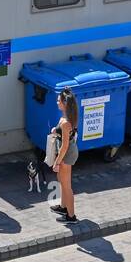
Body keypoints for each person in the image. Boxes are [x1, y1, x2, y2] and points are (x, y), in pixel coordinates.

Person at [48, 88, 79, 224]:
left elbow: (65, 146)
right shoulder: (65, 118)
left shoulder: (66, 122)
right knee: (61, 180)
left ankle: (71, 216)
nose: (57, 102)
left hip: (66, 154)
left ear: (65, 103)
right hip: (65, 152)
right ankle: (63, 207)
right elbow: (63, 134)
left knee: (67, 186)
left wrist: (57, 162)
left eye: (58, 100)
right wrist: (56, 130)